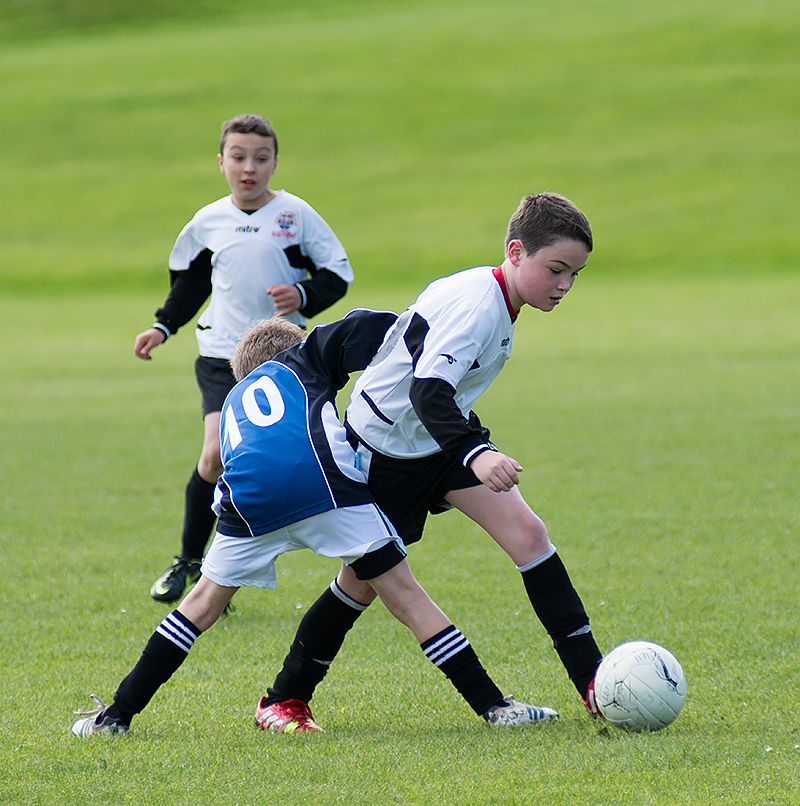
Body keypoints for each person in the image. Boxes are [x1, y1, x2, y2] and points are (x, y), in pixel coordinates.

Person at [72, 313, 559, 738]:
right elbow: (370, 326)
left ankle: (116, 716)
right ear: (295, 348)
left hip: (249, 502)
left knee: (198, 608)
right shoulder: (304, 358)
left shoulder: (234, 398)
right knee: (407, 597)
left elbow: (215, 463)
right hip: (327, 487)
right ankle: (494, 707)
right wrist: (430, 326)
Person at [261, 192, 607, 721]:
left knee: (529, 535)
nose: (564, 285)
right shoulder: (478, 307)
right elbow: (427, 390)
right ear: (516, 252)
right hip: (386, 451)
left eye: (574, 275)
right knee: (362, 585)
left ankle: (595, 685)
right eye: (556, 269)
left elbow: (441, 387)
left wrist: (472, 445)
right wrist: (476, 454)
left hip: (434, 439)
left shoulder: (496, 295)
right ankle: (283, 699)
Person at [134, 113, 354, 604]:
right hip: (221, 354)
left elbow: (338, 273)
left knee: (301, 456)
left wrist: (303, 294)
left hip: (285, 358)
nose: (248, 168)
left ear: (275, 163)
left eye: (260, 158)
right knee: (216, 457)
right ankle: (189, 563)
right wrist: (162, 326)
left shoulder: (295, 215)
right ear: (221, 162)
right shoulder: (207, 221)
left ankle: (359, 555)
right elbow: (190, 284)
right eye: (238, 157)